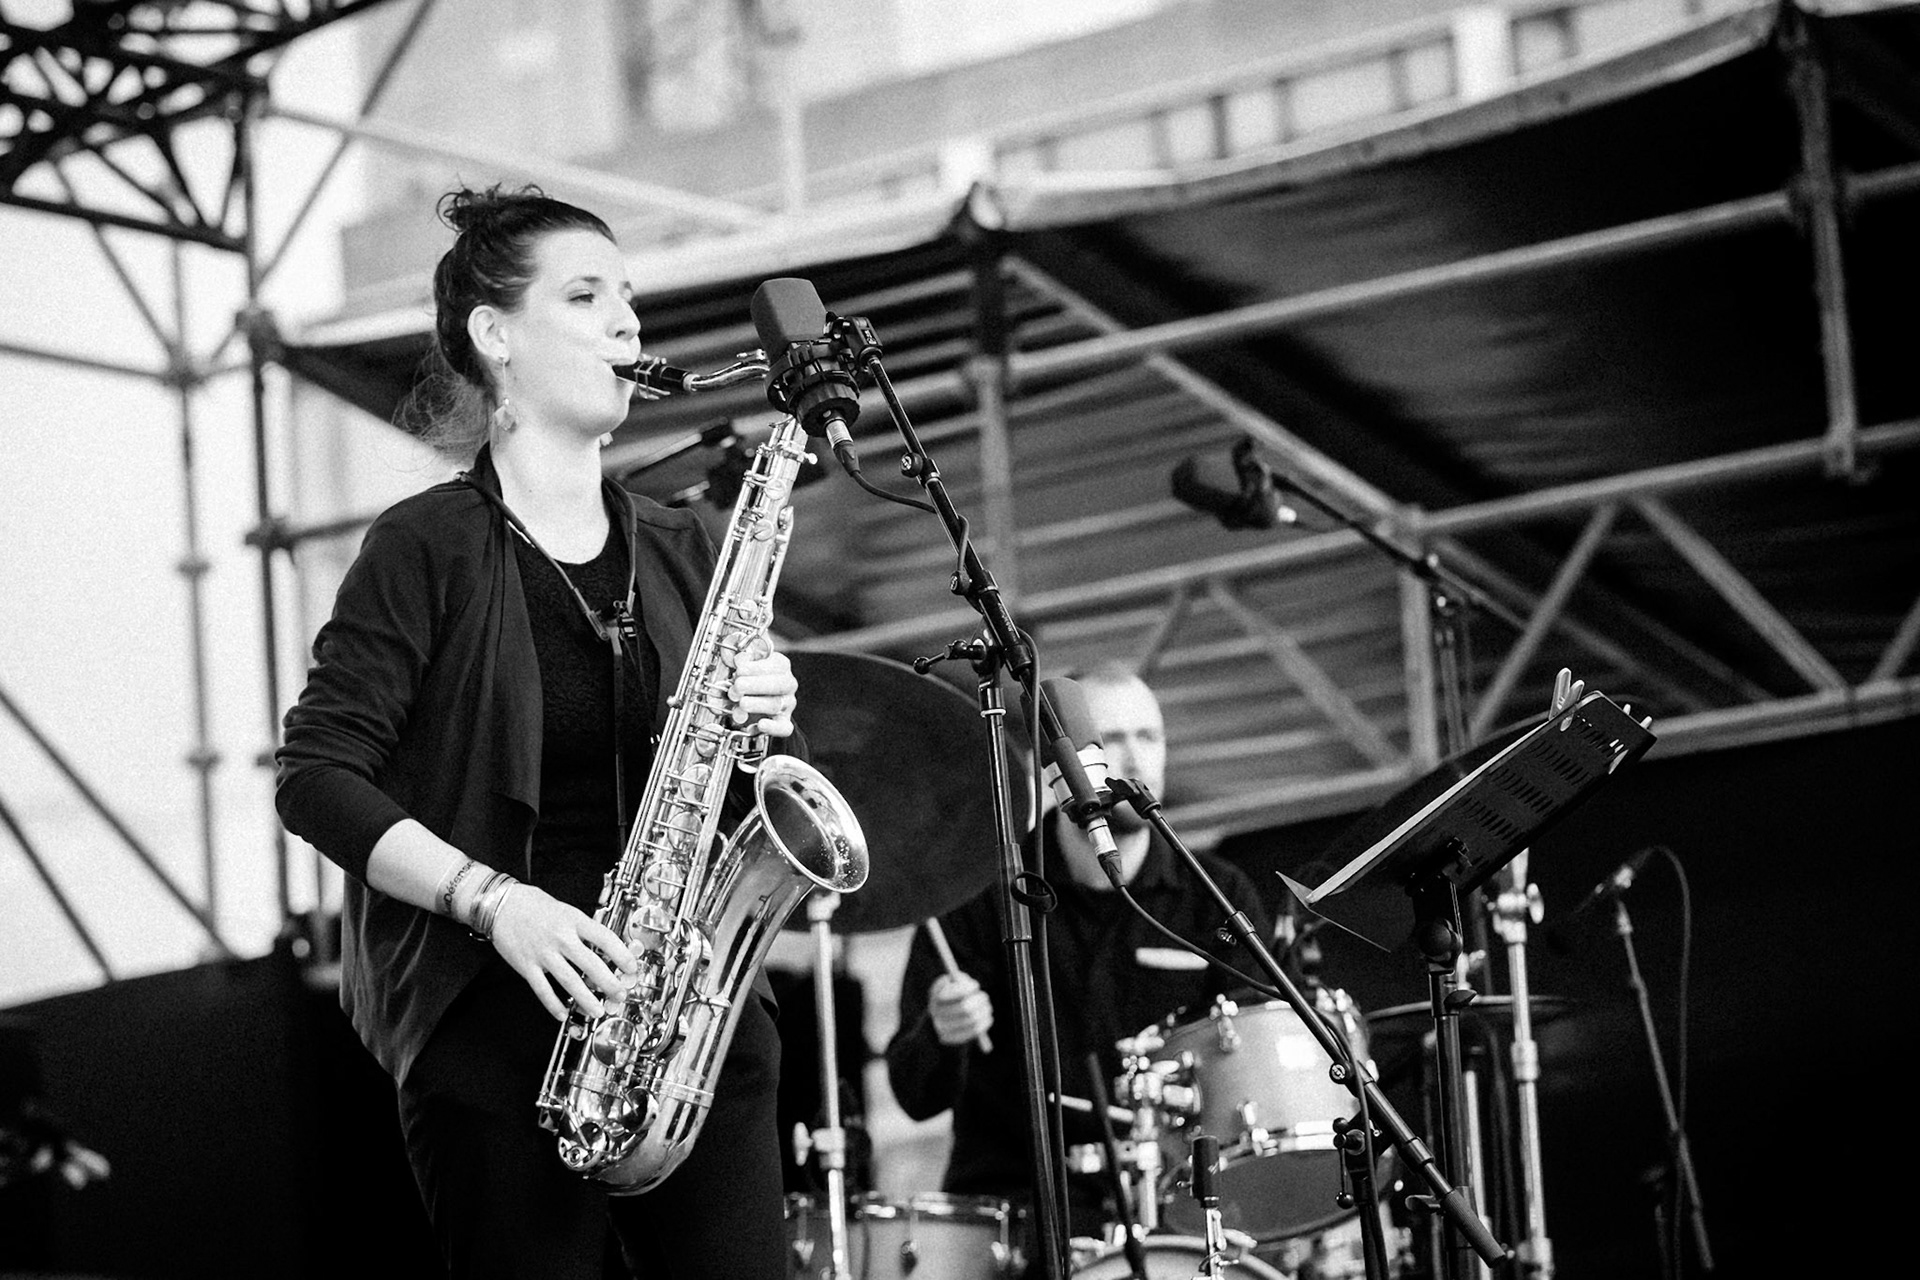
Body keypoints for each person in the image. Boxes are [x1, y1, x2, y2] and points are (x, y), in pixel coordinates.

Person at [276, 185, 799, 1280]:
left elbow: (721, 791)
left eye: (630, 299)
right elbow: (316, 774)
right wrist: (496, 903)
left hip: (689, 1022)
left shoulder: (684, 545)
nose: (628, 323)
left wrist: (762, 728)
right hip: (495, 1025)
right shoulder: (424, 544)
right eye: (586, 296)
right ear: (495, 333)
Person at [884, 664, 1275, 1242]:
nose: (1136, 759)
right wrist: (942, 1034)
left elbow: (1260, 1057)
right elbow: (914, 1097)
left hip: (1175, 1206)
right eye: (1111, 739)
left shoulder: (1215, 896)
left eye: (1149, 736)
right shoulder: (983, 890)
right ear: (1057, 764)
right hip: (1017, 1212)